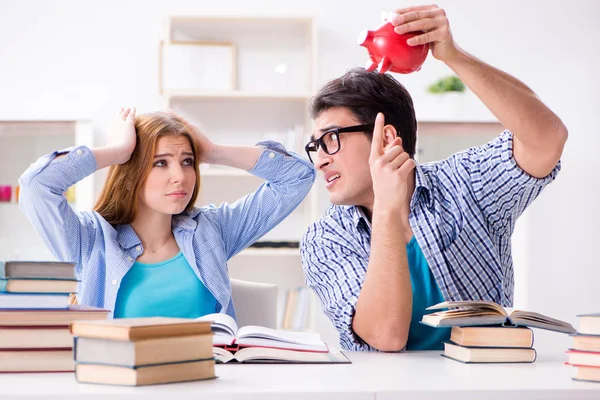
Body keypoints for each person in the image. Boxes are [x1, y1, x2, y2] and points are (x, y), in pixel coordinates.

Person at [300, 5, 568, 352]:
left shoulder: (466, 182)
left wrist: (453, 56)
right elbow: (385, 337)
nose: (320, 158)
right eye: (315, 145)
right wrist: (387, 210)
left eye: (331, 138)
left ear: (385, 138)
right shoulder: (324, 238)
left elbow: (547, 138)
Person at [19, 108, 315, 319]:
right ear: (131, 171)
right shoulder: (90, 240)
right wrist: (117, 151)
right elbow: (36, 186)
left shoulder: (211, 231)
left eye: (187, 162)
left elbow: (297, 177)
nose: (180, 176)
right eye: (161, 163)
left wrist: (212, 152)